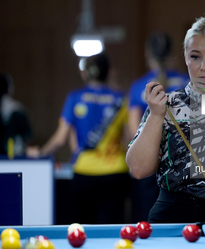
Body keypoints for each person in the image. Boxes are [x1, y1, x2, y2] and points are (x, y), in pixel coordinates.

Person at [126, 17, 205, 223]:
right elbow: (138, 169)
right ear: (185, 57)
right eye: (195, 57)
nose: (204, 66)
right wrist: (156, 115)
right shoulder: (166, 104)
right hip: (171, 214)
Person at [27, 52, 130, 224]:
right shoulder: (121, 99)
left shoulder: (74, 98)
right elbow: (128, 141)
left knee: (83, 232)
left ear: (85, 73)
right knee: (113, 233)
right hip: (115, 174)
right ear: (110, 71)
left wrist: (40, 152)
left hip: (84, 173)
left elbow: (60, 140)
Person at [128, 32, 189, 222]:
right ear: (174, 53)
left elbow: (133, 132)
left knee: (147, 222)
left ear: (148, 54)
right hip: (181, 166)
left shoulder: (139, 86)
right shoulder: (188, 82)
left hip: (149, 163)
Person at [0, 73, 33, 157]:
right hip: (15, 159)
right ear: (10, 89)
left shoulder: (17, 110)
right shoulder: (18, 109)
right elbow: (28, 136)